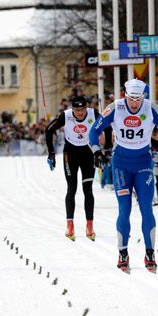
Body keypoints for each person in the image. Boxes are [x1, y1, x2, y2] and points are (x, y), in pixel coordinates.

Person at [88, 79, 158, 273]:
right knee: (124, 209)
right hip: (121, 163)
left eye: (138, 99)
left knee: (147, 208)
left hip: (143, 163)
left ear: (143, 97)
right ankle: (123, 252)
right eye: (131, 99)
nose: (135, 103)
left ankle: (150, 252)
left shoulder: (151, 107)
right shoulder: (115, 107)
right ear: (125, 96)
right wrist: (96, 151)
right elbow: (94, 131)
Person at [45, 95, 100, 241]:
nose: (80, 113)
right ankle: (70, 224)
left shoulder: (94, 113)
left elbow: (106, 126)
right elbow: (48, 130)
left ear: (86, 108)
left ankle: (90, 225)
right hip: (71, 153)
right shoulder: (66, 116)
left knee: (88, 189)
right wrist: (51, 153)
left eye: (82, 110)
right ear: (72, 109)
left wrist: (103, 150)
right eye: (77, 110)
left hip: (88, 153)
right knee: (72, 188)